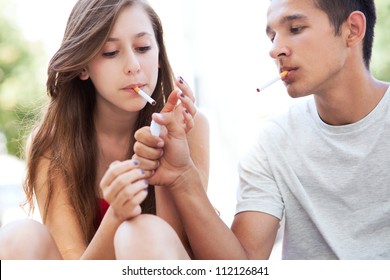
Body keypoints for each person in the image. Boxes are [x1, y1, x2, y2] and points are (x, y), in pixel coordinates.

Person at [134, 0, 390, 259]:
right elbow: (241, 267)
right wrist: (182, 175)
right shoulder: (273, 142)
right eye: (272, 37)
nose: (275, 49)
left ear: (353, 29)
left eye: (296, 28)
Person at [21, 0, 209, 260]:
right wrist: (116, 215)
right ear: (83, 66)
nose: (133, 65)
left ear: (159, 56)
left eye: (143, 48)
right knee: (21, 236)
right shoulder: (51, 143)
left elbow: (176, 250)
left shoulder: (189, 127)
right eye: (110, 52)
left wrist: (166, 165)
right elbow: (75, 263)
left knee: (144, 232)